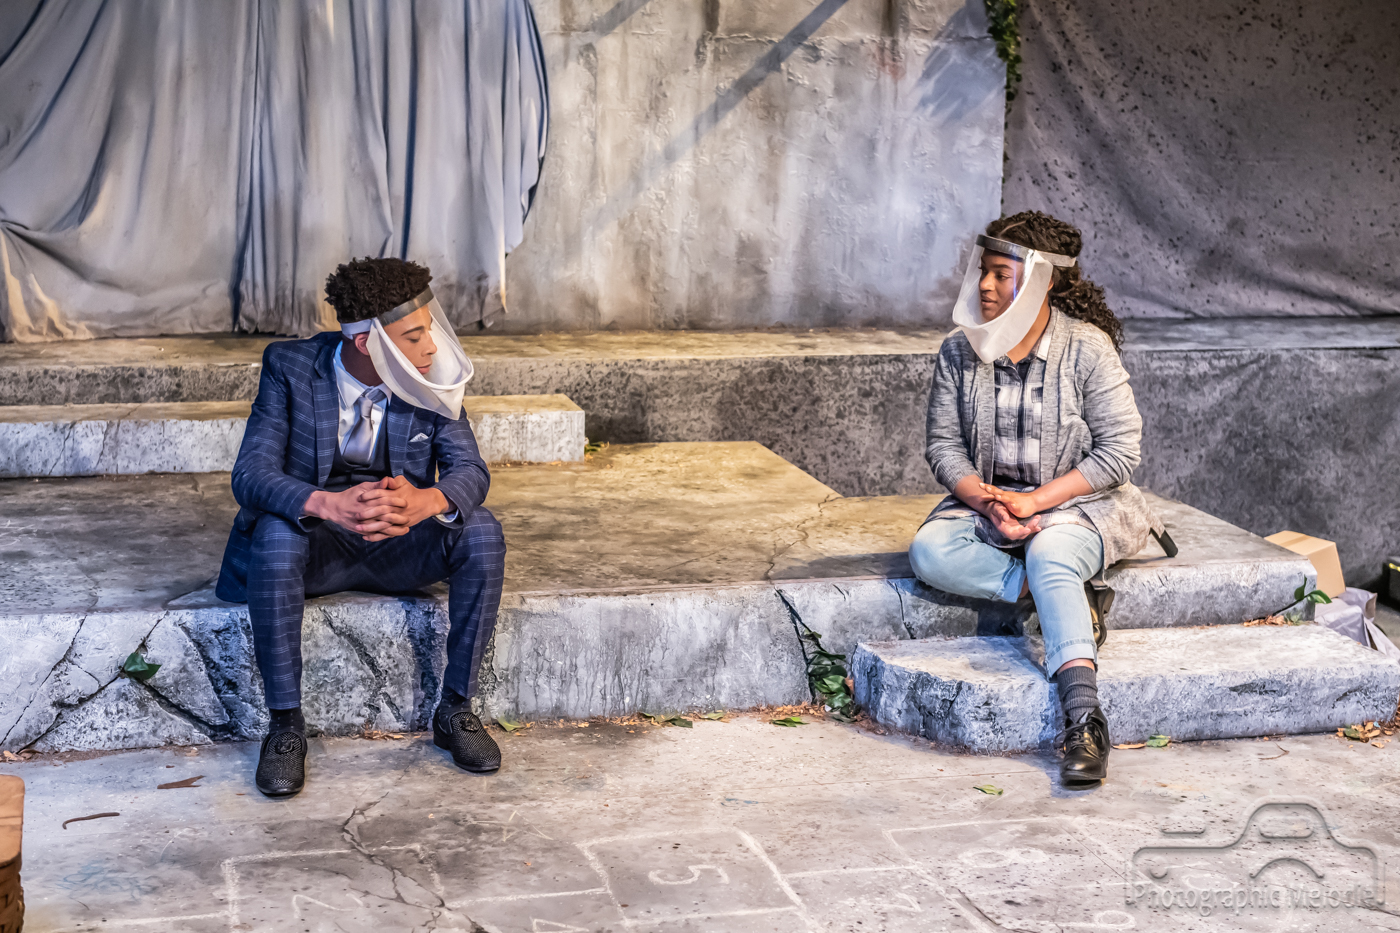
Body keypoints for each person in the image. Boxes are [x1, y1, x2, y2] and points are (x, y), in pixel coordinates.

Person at [215, 257, 506, 797]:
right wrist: (327, 504)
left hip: (398, 542)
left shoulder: (432, 378)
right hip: (318, 544)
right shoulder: (290, 367)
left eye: (430, 331)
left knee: (482, 530)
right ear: (367, 342)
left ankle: (456, 711)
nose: (432, 348)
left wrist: (427, 500)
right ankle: (285, 728)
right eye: (414, 337)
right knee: (276, 534)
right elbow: (250, 474)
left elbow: (471, 470)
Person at [909, 211, 1162, 787]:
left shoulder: (1086, 349)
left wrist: (1038, 504)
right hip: (993, 503)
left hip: (1078, 503)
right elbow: (944, 447)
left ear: (1040, 282)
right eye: (983, 271)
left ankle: (1084, 720)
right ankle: (1060, 594)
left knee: (1050, 553)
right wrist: (987, 502)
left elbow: (1120, 452)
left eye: (1001, 275)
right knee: (929, 552)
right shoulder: (958, 352)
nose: (984, 286)